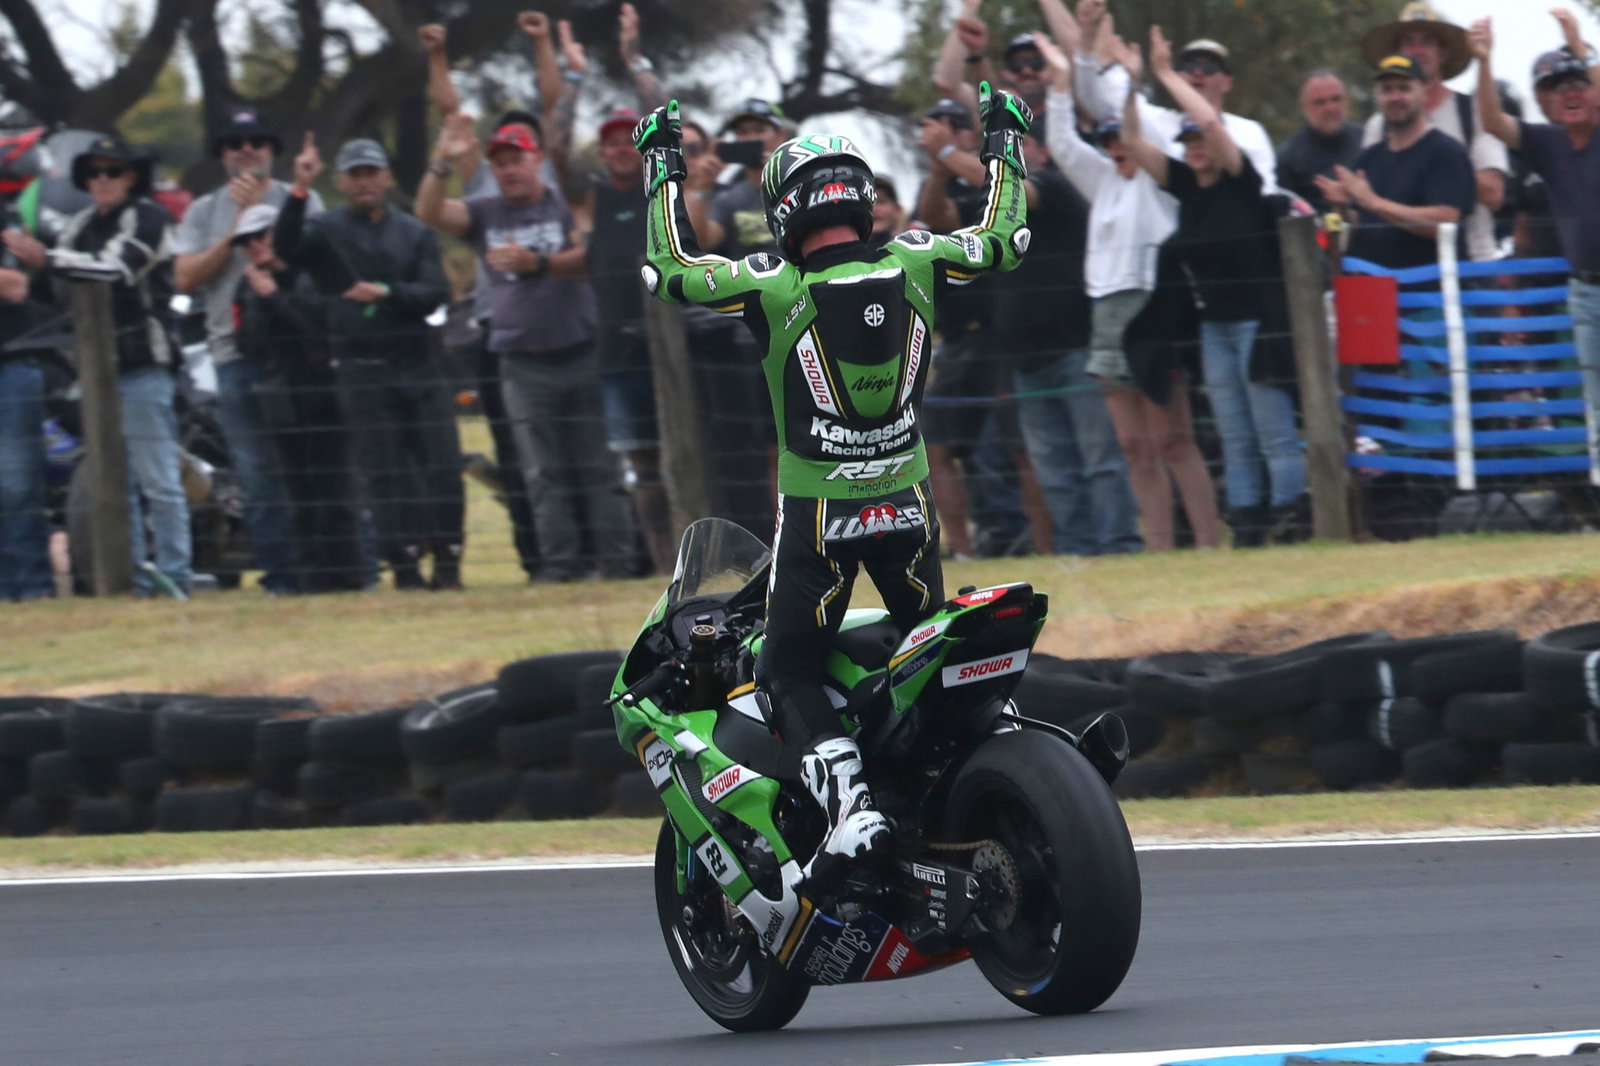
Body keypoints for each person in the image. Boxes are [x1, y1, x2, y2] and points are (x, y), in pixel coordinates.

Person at [634, 83, 1032, 876]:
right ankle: (1009, 751)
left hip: (820, 519)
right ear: (863, 197)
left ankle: (852, 812)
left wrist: (661, 163)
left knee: (787, 670)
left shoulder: (771, 284)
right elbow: (1007, 238)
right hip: (911, 510)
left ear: (785, 211)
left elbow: (665, 270)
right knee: (933, 651)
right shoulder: (920, 258)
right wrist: (1004, 139)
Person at [415, 115, 634, 583]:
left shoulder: (566, 201)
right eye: (500, 163)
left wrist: (538, 262)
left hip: (581, 349)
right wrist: (441, 162)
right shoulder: (485, 212)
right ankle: (560, 566)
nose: (510, 170)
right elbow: (429, 213)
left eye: (518, 160)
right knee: (541, 473)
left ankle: (617, 562)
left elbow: (590, 257)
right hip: (520, 361)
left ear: (536, 161)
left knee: (600, 467)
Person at [1036, 29, 1222, 552]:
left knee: (1173, 438)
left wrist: (1134, 81)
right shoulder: (1104, 181)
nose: (1115, 148)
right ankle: (1158, 550)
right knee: (1133, 444)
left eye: (1122, 139)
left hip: (1154, 307)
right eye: (1109, 142)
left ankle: (1208, 545)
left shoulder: (1161, 178)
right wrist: (1059, 85)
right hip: (1107, 312)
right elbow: (1063, 145)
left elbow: (1145, 133)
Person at [1123, 28, 1306, 547]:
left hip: (1258, 324)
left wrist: (1165, 73)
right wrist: (1133, 83)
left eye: (1202, 141)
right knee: (1234, 433)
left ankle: (1293, 518)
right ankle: (1247, 524)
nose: (1197, 147)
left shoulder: (1242, 183)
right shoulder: (1185, 186)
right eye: (1188, 143)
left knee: (1273, 430)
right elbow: (1132, 141)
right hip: (1215, 327)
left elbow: (1208, 120)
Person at [273, 136, 463, 591]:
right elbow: (287, 247)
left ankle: (449, 562)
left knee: (442, 466)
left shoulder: (414, 232)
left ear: (387, 177)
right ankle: (404, 566)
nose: (364, 182)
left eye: (371, 173)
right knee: (384, 473)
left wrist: (388, 293)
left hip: (417, 365)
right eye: (354, 174)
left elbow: (436, 292)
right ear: (341, 181)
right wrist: (299, 189)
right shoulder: (325, 230)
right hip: (361, 369)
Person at [6, 133, 190, 594]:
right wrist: (37, 266)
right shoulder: (81, 224)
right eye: (94, 172)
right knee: (112, 483)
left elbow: (115, 269)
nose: (103, 179)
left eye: (113, 171)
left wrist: (48, 259)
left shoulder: (150, 216)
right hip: (96, 371)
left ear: (132, 177)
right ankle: (131, 580)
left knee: (160, 481)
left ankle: (177, 576)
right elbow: (51, 290)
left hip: (143, 364)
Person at [172, 107, 313, 595]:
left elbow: (318, 264)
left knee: (309, 463)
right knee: (255, 470)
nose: (246, 150)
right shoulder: (203, 211)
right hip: (233, 355)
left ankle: (326, 567)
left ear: (272, 150)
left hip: (297, 353)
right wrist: (236, 228)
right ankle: (280, 578)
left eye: (257, 142)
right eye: (235, 143)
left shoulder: (300, 199)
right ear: (222, 155)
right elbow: (184, 277)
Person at [1471, 16, 1600, 472]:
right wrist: (1483, 62)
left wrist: (1578, 46)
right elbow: (1491, 120)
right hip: (1585, 293)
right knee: (1597, 408)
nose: (1569, 93)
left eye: (1578, 83)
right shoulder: (1548, 143)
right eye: (1556, 88)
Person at [229, 204, 366, 592]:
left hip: (327, 389)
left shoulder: (316, 271)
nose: (255, 246)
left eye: (262, 235)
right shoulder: (248, 286)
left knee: (337, 489)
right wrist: (261, 301)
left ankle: (350, 576)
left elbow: (320, 325)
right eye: (246, 241)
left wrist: (274, 297)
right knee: (298, 491)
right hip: (283, 396)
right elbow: (248, 344)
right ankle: (310, 577)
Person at [1359, 1, 1509, 262]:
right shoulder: (1378, 125)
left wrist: (1429, 172)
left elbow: (1494, 193)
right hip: (1399, 267)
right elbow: (1365, 194)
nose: (1417, 50)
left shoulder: (1473, 113)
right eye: (1408, 42)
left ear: (1443, 53)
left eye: (1427, 41)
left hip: (1472, 261)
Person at [1072, 0, 1277, 190]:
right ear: (1177, 76)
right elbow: (1096, 100)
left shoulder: (1250, 132)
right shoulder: (1157, 123)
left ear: (1227, 82)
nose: (1198, 72)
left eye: (1210, 67)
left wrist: (1163, 71)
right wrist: (1088, 36)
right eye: (1189, 66)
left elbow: (1266, 191)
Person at [1317, 55, 1477, 271]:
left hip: (1431, 288)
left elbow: (1444, 222)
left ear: (1424, 92)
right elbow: (1357, 225)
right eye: (1387, 90)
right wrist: (1342, 205)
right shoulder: (1368, 157)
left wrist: (1375, 202)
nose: (1395, 97)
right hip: (1376, 287)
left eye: (1404, 88)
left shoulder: (1447, 152)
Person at [0, 135, 51, 602]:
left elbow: (15, 285)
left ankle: (33, 589)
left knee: (17, 486)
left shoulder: (7, 215)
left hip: (11, 366)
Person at [1278, 70, 1365, 215]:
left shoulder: (1368, 140)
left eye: (1336, 99)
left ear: (1347, 101)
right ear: (1303, 107)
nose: (1330, 108)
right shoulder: (1288, 158)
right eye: (1320, 102)